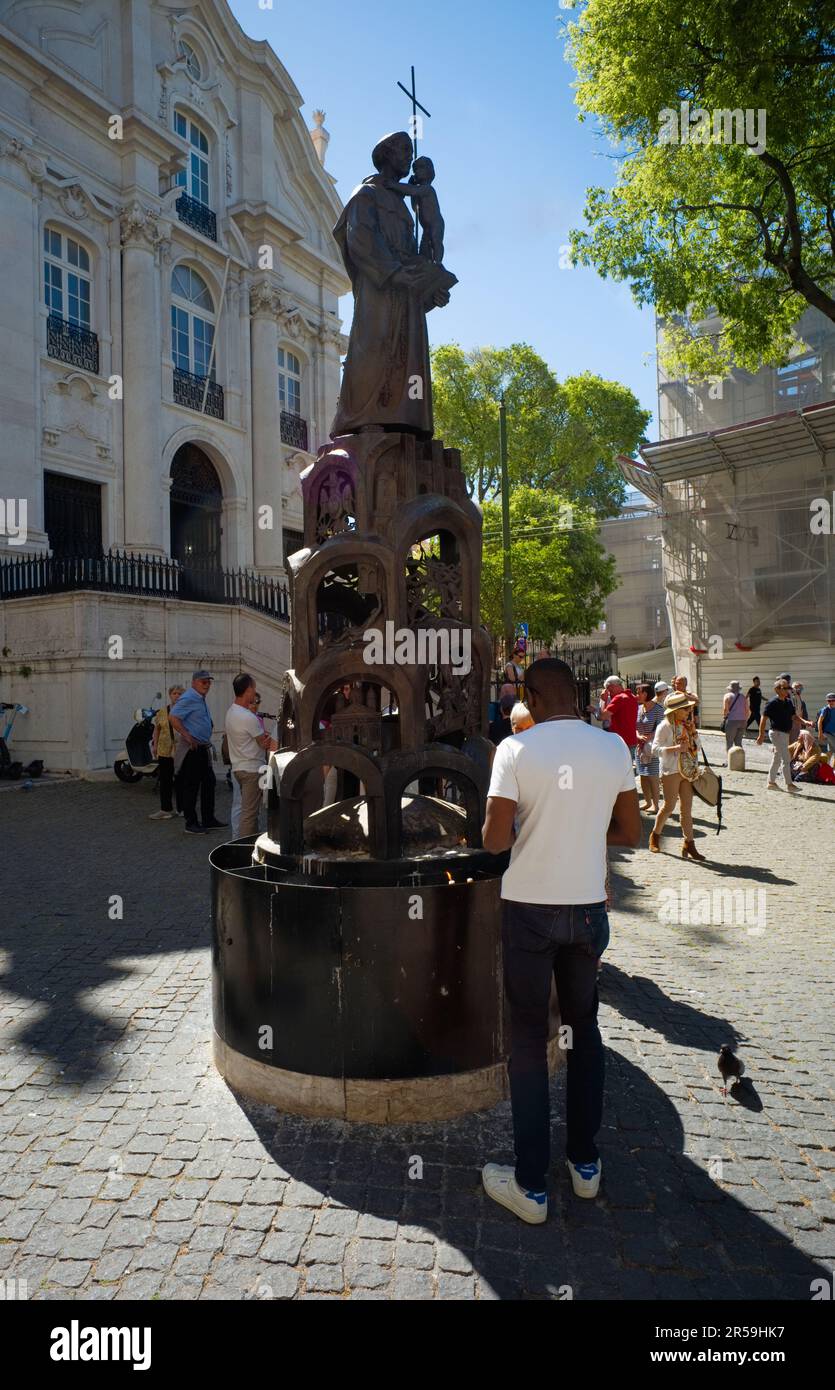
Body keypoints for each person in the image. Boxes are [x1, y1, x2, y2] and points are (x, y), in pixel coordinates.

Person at [480, 658, 641, 1221]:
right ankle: (585, 1164)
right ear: (576, 694)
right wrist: (578, 830)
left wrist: (528, 826)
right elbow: (630, 832)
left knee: (527, 1040)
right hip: (587, 911)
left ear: (531, 697)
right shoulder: (613, 749)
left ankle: (530, 1185)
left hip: (529, 910)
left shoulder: (514, 750)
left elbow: (495, 841)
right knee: (584, 1031)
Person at [649, 691, 706, 859]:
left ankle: (689, 843)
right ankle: (655, 836)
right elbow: (654, 750)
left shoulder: (686, 725)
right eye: (685, 709)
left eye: (688, 709)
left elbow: (699, 747)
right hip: (670, 771)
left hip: (687, 771)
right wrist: (675, 749)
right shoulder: (664, 727)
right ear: (675, 711)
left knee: (686, 809)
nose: (688, 712)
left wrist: (694, 733)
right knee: (669, 806)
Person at [169, 670, 227, 834]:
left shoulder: (199, 698)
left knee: (209, 783)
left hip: (202, 748)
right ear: (194, 682)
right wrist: (187, 735)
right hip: (192, 749)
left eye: (208, 682)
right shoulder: (189, 697)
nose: (207, 685)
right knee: (192, 786)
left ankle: (208, 819)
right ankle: (191, 823)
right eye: (203, 682)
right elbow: (173, 717)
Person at [225, 673, 278, 839]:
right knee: (249, 813)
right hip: (252, 771)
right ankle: (243, 848)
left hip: (239, 768)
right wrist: (277, 732)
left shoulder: (231, 712)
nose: (255, 693)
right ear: (248, 690)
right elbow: (264, 744)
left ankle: (250, 842)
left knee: (249, 811)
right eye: (254, 689)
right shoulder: (248, 717)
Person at [758, 679, 802, 792]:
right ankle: (789, 785)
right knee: (786, 758)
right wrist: (761, 735)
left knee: (777, 758)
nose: (788, 690)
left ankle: (771, 783)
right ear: (777, 689)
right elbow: (763, 718)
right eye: (785, 688)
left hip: (784, 734)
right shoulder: (772, 702)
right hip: (776, 733)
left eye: (788, 688)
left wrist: (805, 722)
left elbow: (794, 716)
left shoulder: (788, 702)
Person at [149, 684, 184, 821]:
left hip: (181, 750)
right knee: (165, 781)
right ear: (170, 695)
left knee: (181, 780)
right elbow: (157, 729)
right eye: (174, 693)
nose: (177, 696)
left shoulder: (186, 710)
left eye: (179, 693)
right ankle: (166, 809)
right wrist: (155, 745)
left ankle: (182, 808)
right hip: (164, 750)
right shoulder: (162, 711)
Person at [634, 681, 664, 812]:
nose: (636, 695)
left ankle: (656, 805)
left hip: (652, 748)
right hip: (640, 747)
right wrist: (638, 735)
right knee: (643, 776)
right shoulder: (639, 708)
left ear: (645, 694)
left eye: (638, 692)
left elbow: (661, 727)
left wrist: (650, 736)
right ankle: (647, 802)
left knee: (653, 777)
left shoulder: (658, 709)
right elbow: (634, 726)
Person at [595, 675, 638, 752]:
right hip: (632, 740)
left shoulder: (619, 698)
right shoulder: (632, 697)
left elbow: (602, 717)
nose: (610, 694)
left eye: (610, 691)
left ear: (614, 686)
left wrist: (603, 701)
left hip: (620, 741)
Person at [722, 680, 749, 759]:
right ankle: (739, 761)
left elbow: (725, 709)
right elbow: (747, 710)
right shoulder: (743, 697)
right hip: (742, 721)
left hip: (732, 721)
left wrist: (725, 717)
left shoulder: (727, 696)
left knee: (729, 742)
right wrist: (745, 720)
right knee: (738, 743)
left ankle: (729, 762)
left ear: (730, 688)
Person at [817, 692, 835, 758]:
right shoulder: (825, 710)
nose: (831, 702)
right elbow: (819, 721)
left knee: (831, 751)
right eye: (829, 701)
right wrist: (820, 733)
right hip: (828, 733)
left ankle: (825, 764)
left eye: (833, 700)